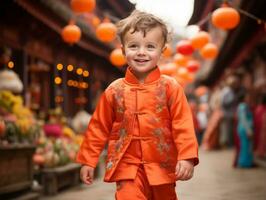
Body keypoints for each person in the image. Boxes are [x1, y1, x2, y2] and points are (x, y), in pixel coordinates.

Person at [76, 10, 199, 200]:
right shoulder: (114, 90)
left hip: (162, 164)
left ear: (162, 50)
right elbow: (98, 127)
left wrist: (187, 156)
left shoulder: (170, 87)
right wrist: (88, 161)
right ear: (123, 50)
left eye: (150, 46)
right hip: (127, 165)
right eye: (134, 46)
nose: (141, 52)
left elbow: (183, 124)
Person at [236, 90, 254, 168]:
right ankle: (244, 163)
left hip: (243, 128)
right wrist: (248, 130)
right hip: (244, 129)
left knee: (245, 146)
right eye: (247, 97)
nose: (249, 98)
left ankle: (244, 162)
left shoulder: (241, 106)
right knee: (245, 147)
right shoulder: (243, 106)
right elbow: (243, 119)